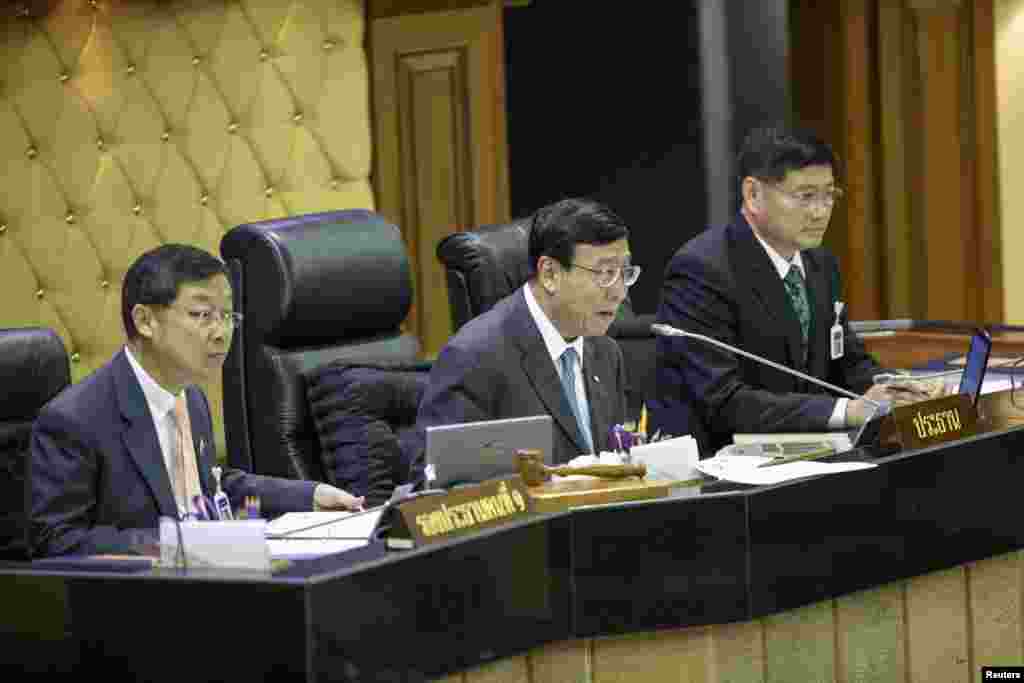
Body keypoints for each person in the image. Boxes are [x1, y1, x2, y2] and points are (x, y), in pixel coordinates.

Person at [30, 244, 364, 557]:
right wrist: (176, 543)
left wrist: (310, 496)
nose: (221, 333)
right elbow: (57, 541)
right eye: (202, 315)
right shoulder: (74, 420)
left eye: (229, 315)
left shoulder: (190, 398)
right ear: (145, 321)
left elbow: (210, 488)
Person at [652, 125, 928, 456]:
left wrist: (895, 388)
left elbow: (846, 362)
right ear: (753, 194)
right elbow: (723, 400)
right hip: (720, 469)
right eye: (806, 196)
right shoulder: (702, 269)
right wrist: (848, 410)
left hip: (808, 454)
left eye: (829, 195)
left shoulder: (820, 264)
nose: (820, 210)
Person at [413, 197, 636, 468]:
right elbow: (435, 481)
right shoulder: (475, 355)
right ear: (550, 274)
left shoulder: (605, 352)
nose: (619, 292)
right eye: (604, 273)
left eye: (623, 272)